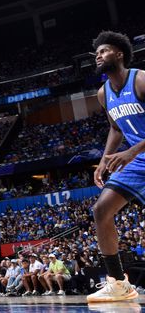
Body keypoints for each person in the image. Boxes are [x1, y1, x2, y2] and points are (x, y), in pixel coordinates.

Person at [88, 31, 143, 303]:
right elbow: (115, 128)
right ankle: (119, 283)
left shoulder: (141, 79)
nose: (98, 55)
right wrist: (105, 159)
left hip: (137, 153)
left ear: (119, 54)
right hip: (136, 160)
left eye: (104, 51)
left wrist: (132, 151)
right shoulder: (103, 94)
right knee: (101, 210)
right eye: (97, 53)